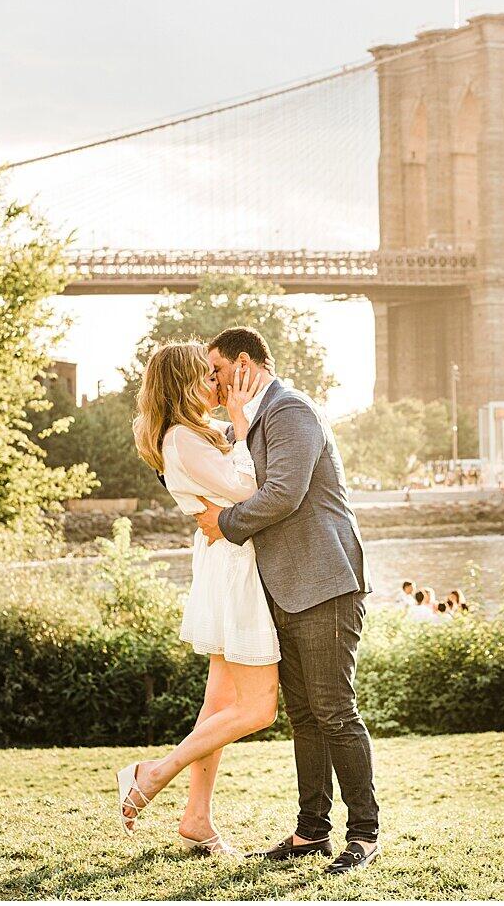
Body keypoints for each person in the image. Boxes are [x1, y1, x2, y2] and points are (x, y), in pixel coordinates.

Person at [192, 327, 381, 875]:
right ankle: (312, 831)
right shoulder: (256, 421)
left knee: (334, 712)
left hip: (326, 585)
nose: (213, 382)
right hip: (288, 588)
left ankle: (364, 834)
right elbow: (219, 455)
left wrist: (223, 525)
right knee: (303, 715)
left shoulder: (291, 410)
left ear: (245, 363)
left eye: (218, 372)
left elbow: (284, 493)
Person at [117, 342, 277, 858]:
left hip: (225, 563)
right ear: (187, 383)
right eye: (209, 375)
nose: (219, 381)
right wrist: (241, 415)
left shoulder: (190, 435)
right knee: (258, 708)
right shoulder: (183, 440)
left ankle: (196, 818)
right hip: (235, 571)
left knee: (219, 705)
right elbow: (251, 490)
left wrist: (234, 422)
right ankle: (153, 774)